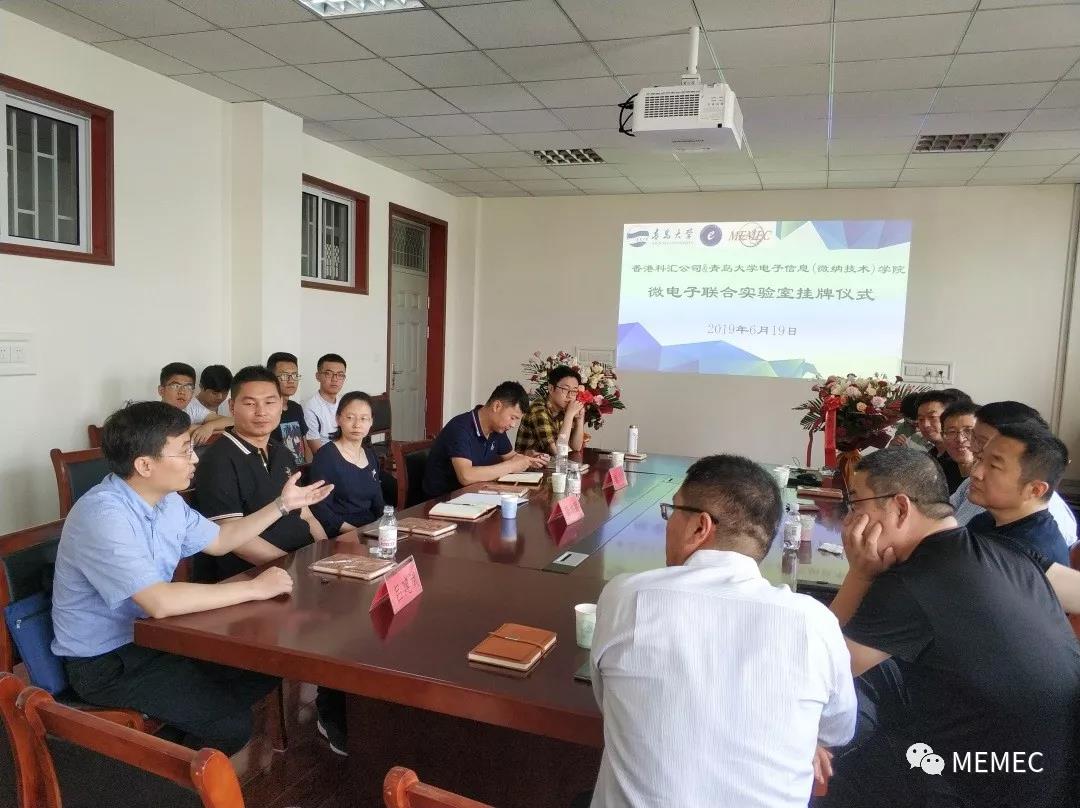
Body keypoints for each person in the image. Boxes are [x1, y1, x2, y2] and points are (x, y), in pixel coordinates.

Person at [50, 401, 331, 756]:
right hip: (106, 662)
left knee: (265, 668)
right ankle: (152, 770)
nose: (195, 459)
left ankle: (165, 749)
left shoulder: (168, 502)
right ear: (145, 465)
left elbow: (221, 539)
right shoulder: (103, 515)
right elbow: (159, 601)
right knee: (231, 724)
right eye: (185, 451)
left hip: (158, 638)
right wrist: (253, 588)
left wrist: (282, 505)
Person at [588, 454, 856, 807]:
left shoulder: (627, 597)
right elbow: (838, 729)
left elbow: (606, 701)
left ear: (699, 527)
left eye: (672, 511)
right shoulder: (814, 622)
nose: (668, 523)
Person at [822, 448, 1080, 808]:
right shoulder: (1011, 553)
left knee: (838, 757)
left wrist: (859, 575)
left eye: (856, 504)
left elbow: (822, 670)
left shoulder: (912, 581)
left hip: (987, 781)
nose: (850, 520)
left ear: (900, 507)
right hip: (1057, 768)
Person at [193, 366, 329, 582]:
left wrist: (325, 556)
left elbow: (306, 514)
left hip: (302, 564)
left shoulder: (282, 452)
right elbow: (233, 539)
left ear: (281, 405)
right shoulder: (218, 460)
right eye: (250, 403)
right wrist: (295, 569)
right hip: (255, 576)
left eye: (269, 402)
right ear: (232, 406)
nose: (261, 412)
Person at [951, 401, 1076, 546]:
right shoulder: (985, 515)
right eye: (974, 437)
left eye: (982, 441)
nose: (972, 446)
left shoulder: (1032, 543)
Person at [966, 421, 1071, 566]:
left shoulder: (1030, 556)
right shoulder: (984, 521)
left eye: (994, 466)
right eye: (980, 459)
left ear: (1035, 490)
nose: (976, 473)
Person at [421, 381, 547, 498]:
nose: (513, 425)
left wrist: (528, 458)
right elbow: (466, 476)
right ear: (497, 406)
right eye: (512, 418)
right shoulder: (460, 428)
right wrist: (511, 466)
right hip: (442, 501)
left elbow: (511, 457)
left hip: (475, 496)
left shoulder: (497, 429)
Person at [308, 391, 385, 536]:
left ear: (371, 422)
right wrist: (357, 532)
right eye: (350, 418)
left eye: (364, 418)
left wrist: (384, 526)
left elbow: (378, 500)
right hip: (340, 533)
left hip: (370, 530)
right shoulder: (326, 456)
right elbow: (320, 509)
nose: (357, 425)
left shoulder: (370, 454)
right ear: (338, 419)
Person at [514, 366, 586, 456]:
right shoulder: (538, 410)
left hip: (549, 463)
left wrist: (579, 419)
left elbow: (576, 447)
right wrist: (569, 415)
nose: (570, 395)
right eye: (565, 389)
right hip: (528, 464)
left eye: (574, 391)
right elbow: (558, 452)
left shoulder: (563, 409)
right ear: (551, 388)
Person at [915, 389, 969, 494]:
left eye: (932, 417)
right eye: (921, 419)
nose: (925, 424)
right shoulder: (929, 456)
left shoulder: (963, 458)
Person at [267, 351, 310, 467]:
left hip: (300, 470)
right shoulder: (266, 410)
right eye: (285, 375)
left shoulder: (296, 408)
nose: (291, 380)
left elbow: (305, 445)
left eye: (295, 375)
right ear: (271, 378)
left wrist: (309, 469)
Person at [303, 353, 347, 454]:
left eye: (340, 375)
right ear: (318, 376)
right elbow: (318, 452)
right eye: (328, 373)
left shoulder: (345, 403)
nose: (335, 379)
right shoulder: (310, 407)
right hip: (328, 458)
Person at [185, 364, 234, 446]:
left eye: (225, 393)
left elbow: (237, 423)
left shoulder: (228, 404)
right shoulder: (189, 407)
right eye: (214, 393)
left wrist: (210, 426)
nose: (220, 397)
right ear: (201, 387)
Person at [938, 399, 978, 489]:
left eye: (968, 431)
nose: (960, 439)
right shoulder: (939, 474)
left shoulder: (994, 479)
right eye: (952, 432)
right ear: (942, 436)